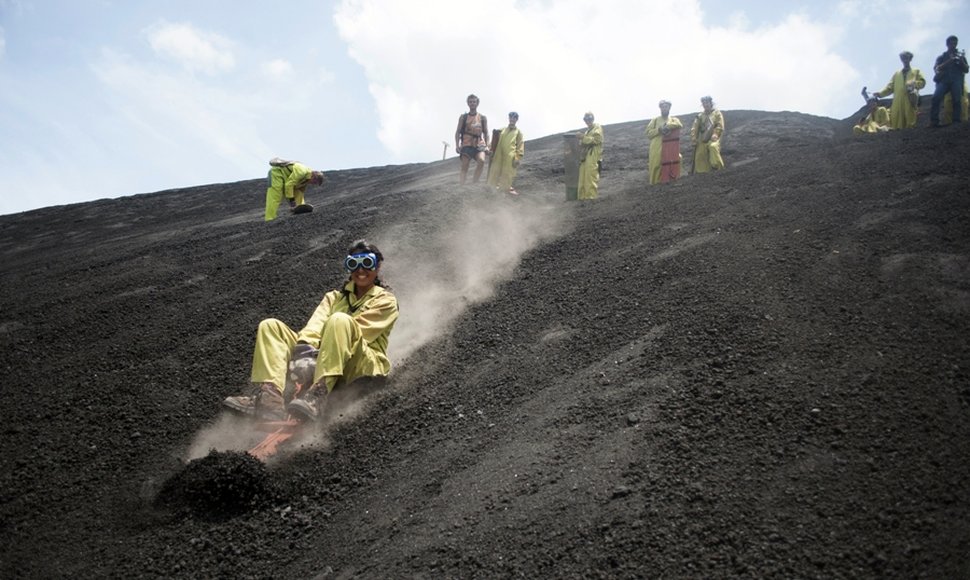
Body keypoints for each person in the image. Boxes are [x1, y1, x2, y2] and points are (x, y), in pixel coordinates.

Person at [222, 240, 399, 421]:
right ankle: (270, 398)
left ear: (377, 267)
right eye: (354, 264)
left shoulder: (386, 300)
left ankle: (317, 395)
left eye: (367, 263)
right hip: (325, 357)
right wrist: (305, 347)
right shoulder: (334, 298)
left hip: (361, 366)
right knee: (270, 326)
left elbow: (359, 332)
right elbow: (316, 324)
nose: (361, 270)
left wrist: (318, 353)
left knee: (339, 320)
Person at [872, 51, 926, 129]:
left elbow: (922, 82)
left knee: (910, 120)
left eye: (906, 58)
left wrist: (914, 84)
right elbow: (890, 88)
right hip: (897, 101)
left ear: (910, 59)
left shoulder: (916, 71)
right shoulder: (897, 74)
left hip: (910, 99)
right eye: (903, 58)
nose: (904, 60)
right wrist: (880, 94)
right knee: (896, 121)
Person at [930, 35, 969, 127]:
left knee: (957, 100)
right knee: (936, 97)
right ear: (947, 44)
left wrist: (961, 61)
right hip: (944, 80)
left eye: (955, 43)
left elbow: (967, 70)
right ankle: (934, 121)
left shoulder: (960, 56)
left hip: (957, 80)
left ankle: (956, 121)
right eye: (952, 43)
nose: (954, 45)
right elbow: (937, 68)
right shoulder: (942, 57)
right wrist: (949, 61)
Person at [645, 100, 684, 185]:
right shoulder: (655, 120)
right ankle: (655, 184)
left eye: (666, 107)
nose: (664, 109)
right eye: (662, 107)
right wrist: (659, 130)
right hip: (656, 147)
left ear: (669, 108)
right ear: (660, 108)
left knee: (677, 159)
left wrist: (668, 126)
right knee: (656, 165)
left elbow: (679, 124)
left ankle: (674, 179)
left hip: (670, 146)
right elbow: (648, 133)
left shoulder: (674, 119)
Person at [486, 112, 525, 195]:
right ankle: (491, 188)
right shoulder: (502, 130)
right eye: (511, 117)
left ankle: (504, 190)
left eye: (514, 118)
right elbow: (494, 139)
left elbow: (520, 145)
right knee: (495, 170)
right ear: (509, 118)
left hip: (510, 155)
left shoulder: (518, 132)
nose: (512, 119)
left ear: (516, 120)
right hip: (498, 154)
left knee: (507, 172)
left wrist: (517, 157)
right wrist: (490, 149)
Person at [455, 94, 490, 185]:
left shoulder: (482, 118)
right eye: (470, 102)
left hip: (479, 143)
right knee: (465, 165)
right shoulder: (463, 117)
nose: (472, 103)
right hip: (467, 143)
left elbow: (486, 133)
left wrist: (487, 145)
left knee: (481, 161)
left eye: (474, 102)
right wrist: (457, 145)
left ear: (477, 103)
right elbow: (458, 132)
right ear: (468, 103)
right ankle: (461, 186)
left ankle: (475, 183)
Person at [690, 96, 725, 173]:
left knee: (713, 147)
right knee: (699, 154)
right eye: (704, 103)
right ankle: (702, 174)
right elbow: (694, 128)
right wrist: (694, 138)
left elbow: (720, 125)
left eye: (707, 102)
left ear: (711, 103)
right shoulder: (700, 116)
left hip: (713, 138)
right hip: (703, 139)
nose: (705, 104)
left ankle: (718, 169)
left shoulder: (717, 113)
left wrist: (716, 133)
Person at [577, 112, 604, 200]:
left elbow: (597, 140)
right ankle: (582, 198)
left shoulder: (597, 127)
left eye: (589, 119)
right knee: (582, 178)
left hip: (592, 156)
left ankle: (590, 198)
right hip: (585, 157)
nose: (587, 121)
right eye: (586, 119)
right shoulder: (587, 131)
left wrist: (583, 138)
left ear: (593, 119)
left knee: (590, 178)